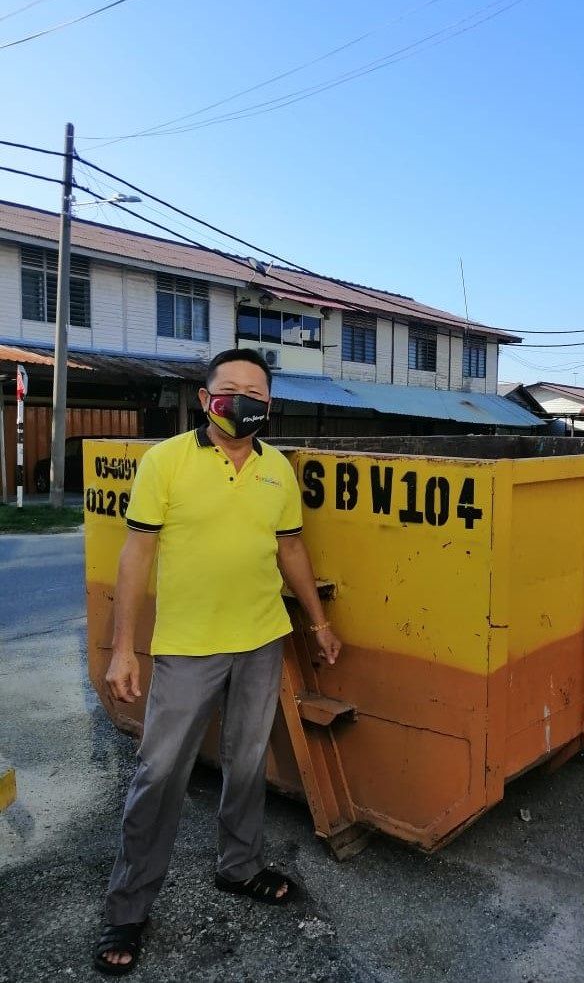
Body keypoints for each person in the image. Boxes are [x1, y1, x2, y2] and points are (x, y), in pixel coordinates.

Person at [93, 348, 340, 976]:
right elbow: (136, 553)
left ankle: (239, 865)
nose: (242, 402)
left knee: (247, 762)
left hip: (261, 639)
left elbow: (290, 548)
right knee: (159, 775)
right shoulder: (167, 462)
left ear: (269, 406)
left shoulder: (276, 469)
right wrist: (123, 648)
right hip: (187, 646)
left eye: (255, 394)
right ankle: (128, 907)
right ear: (206, 399)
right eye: (230, 390)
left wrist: (318, 623)